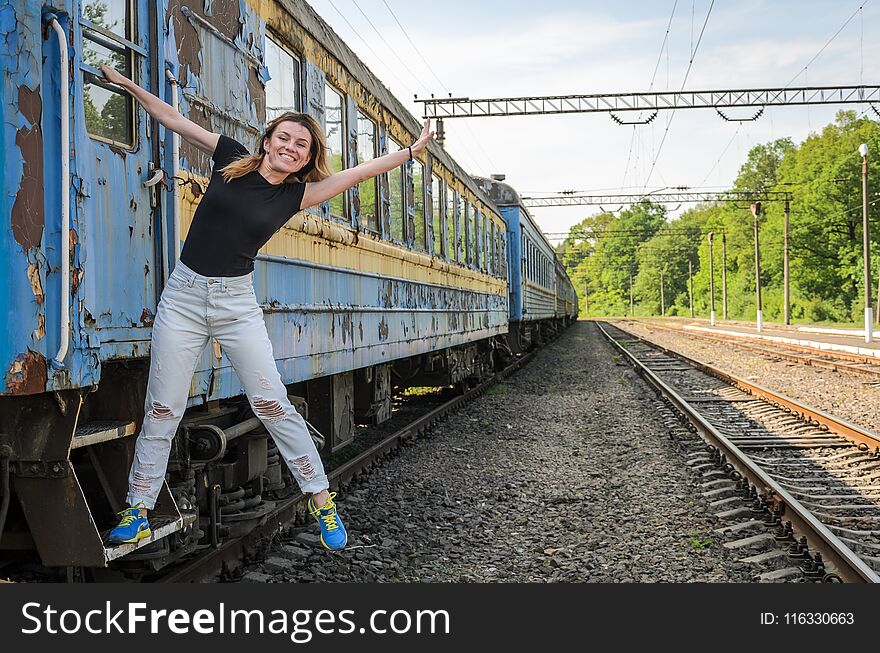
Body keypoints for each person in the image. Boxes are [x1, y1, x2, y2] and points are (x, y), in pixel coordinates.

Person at [99, 64, 434, 551]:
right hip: (185, 297)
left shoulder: (298, 194)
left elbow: (360, 171)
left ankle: (322, 501)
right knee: (163, 407)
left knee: (272, 403)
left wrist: (409, 151)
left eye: (302, 145)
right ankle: (139, 510)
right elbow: (173, 119)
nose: (291, 147)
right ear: (268, 139)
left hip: (235, 304)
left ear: (306, 158)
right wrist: (128, 85)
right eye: (285, 137)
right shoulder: (231, 158)